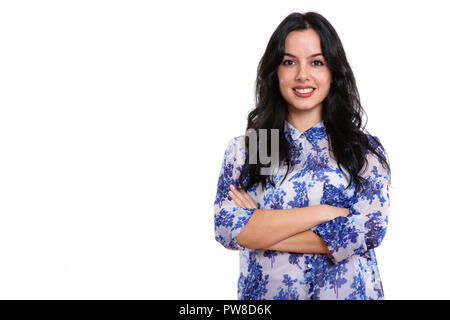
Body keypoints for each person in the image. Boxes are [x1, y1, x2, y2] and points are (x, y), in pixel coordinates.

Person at [213, 11, 391, 300]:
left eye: (317, 62)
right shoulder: (260, 144)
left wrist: (262, 224)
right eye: (289, 62)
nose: (302, 75)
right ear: (275, 72)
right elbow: (229, 229)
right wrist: (322, 214)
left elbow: (368, 230)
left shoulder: (359, 149)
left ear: (333, 72)